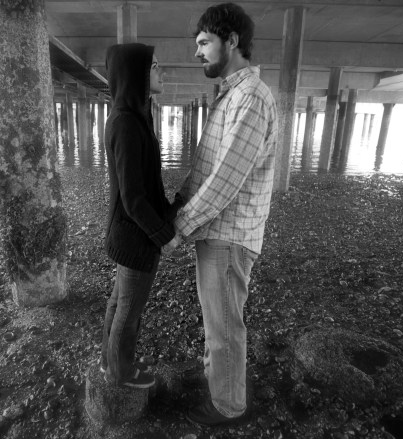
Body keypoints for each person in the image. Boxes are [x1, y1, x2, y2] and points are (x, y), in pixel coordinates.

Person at [166, 2, 278, 426]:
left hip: (230, 234)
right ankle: (219, 379)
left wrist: (178, 228)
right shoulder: (232, 94)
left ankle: (228, 405)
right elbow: (206, 169)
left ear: (231, 41)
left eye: (203, 42)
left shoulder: (250, 98)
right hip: (221, 230)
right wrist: (177, 203)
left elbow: (225, 181)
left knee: (225, 324)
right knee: (218, 319)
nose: (197, 51)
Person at [100, 43, 181, 388]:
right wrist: (165, 235)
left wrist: (170, 207)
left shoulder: (134, 117)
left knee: (119, 301)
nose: (162, 72)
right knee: (129, 310)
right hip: (135, 235)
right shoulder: (127, 124)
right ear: (136, 74)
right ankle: (120, 373)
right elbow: (133, 198)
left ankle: (109, 362)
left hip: (127, 230)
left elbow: (144, 185)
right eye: (155, 66)